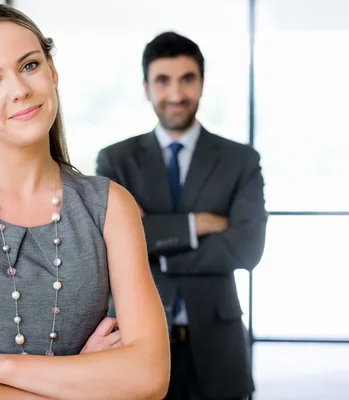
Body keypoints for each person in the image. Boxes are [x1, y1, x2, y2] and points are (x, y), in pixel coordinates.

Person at [0, 4, 169, 399]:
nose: (19, 89)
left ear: (52, 72)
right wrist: (87, 379)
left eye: (29, 66)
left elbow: (149, 376)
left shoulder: (110, 206)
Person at [96, 32, 268, 400]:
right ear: (146, 87)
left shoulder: (240, 160)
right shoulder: (116, 161)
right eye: (163, 80)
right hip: (136, 344)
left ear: (202, 83)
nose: (176, 95)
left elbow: (248, 247)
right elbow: (108, 247)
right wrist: (199, 225)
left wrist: (152, 244)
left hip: (219, 349)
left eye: (187, 79)